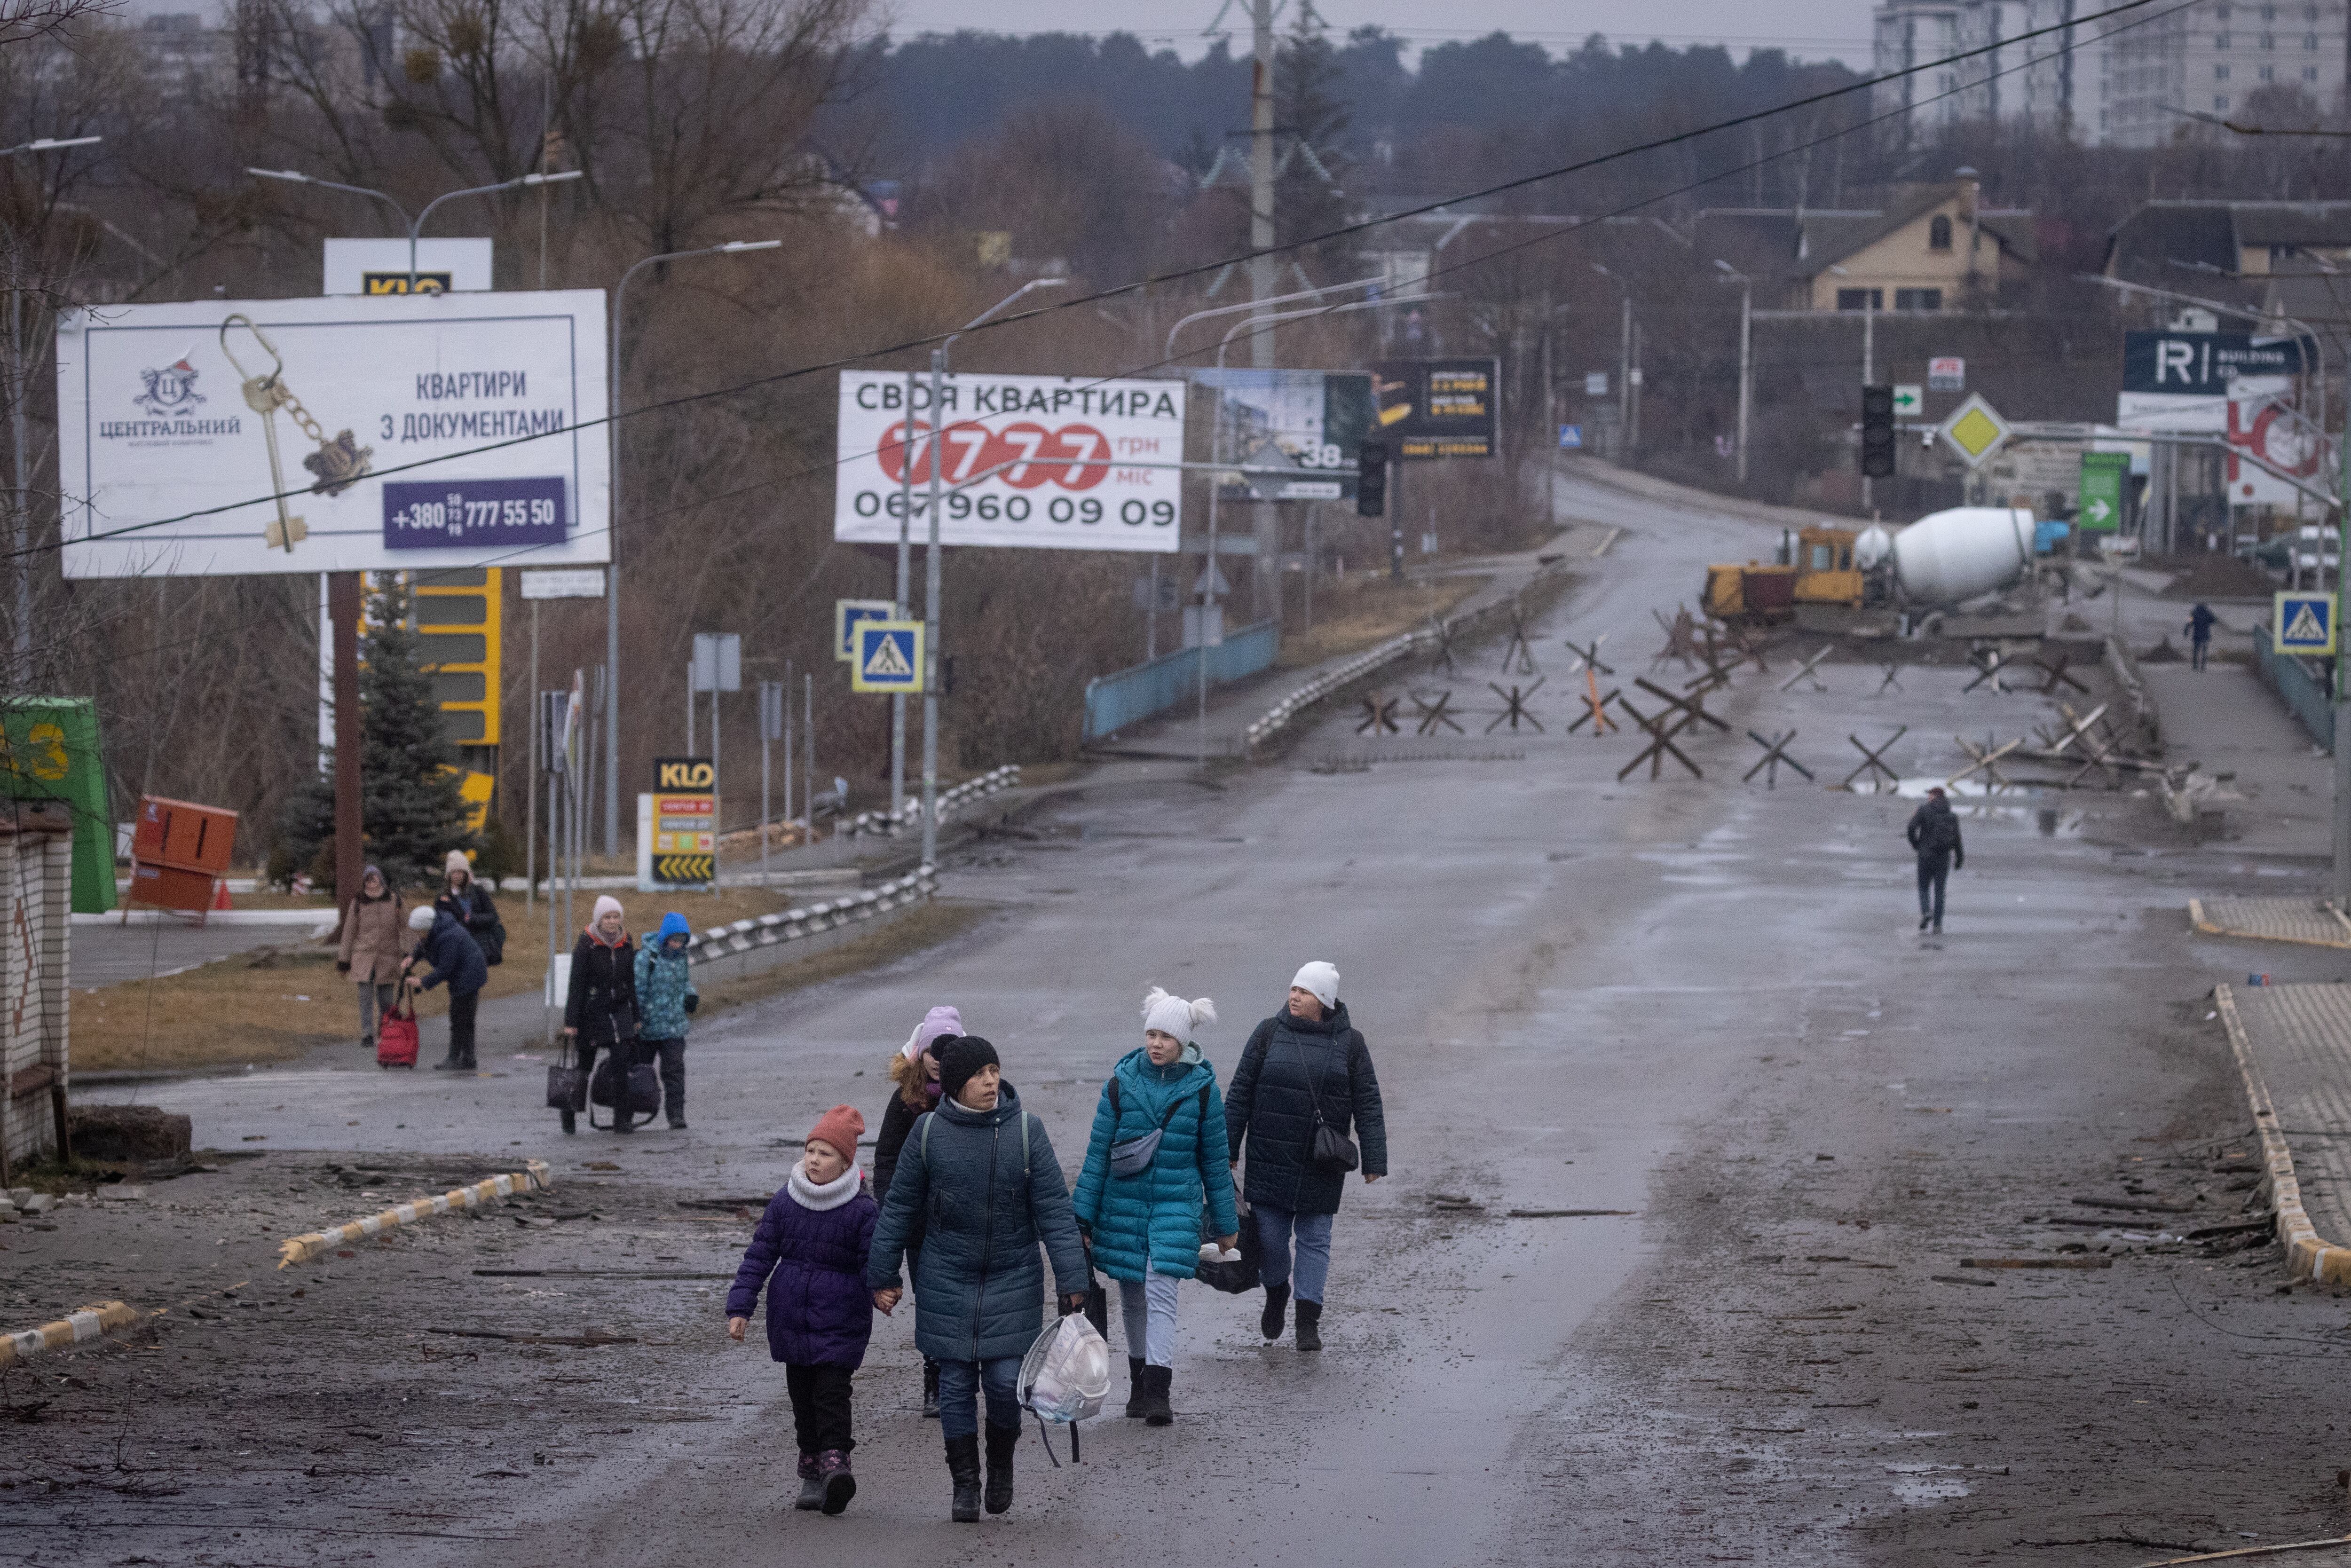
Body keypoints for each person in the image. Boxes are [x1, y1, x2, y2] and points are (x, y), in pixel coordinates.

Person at [867, 1035, 1089, 1524]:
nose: (990, 1081)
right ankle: (965, 1483)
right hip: (945, 1274)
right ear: (954, 1084)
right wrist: (882, 1272)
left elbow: (1054, 1209)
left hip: (1014, 1275)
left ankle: (1001, 1463)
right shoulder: (928, 1132)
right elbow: (899, 1206)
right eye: (978, 1074)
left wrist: (1072, 1277)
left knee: (1006, 1382)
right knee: (954, 1383)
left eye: (994, 1070)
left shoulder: (1027, 1131)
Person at [1071, 987, 1238, 1427]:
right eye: (1152, 1034)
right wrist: (1081, 1219)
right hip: (1122, 1205)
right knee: (1132, 1295)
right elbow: (1097, 1156)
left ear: (1183, 1041)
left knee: (1161, 1289)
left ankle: (1158, 1391)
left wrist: (1226, 1223)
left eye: (1166, 1036)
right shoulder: (1119, 1085)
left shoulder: (1203, 1092)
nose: (1156, 1043)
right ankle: (1139, 1384)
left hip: (1175, 1205)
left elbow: (1215, 1162)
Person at [1224, 961, 1387, 1354]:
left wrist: (1374, 1160)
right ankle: (1277, 1290)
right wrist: (1228, 1148)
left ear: (1324, 1000)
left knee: (1315, 1240)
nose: (1295, 996)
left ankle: (1308, 1321)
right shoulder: (1268, 1033)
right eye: (1294, 989)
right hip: (1270, 1157)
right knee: (1271, 1241)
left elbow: (1368, 1101)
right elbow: (1241, 1091)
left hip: (1322, 1161)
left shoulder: (1351, 1043)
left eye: (1305, 991)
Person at [727, 1105, 878, 1517]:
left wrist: (882, 1288)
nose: (814, 1159)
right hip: (791, 1318)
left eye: (825, 1153)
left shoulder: (862, 1209)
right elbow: (759, 1256)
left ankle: (836, 1467)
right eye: (810, 1150)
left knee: (832, 1394)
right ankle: (812, 1473)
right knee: (802, 1399)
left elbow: (873, 1260)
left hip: (841, 1318)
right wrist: (741, 1306)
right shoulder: (786, 1201)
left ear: (845, 1162)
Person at [871, 1004, 964, 1420]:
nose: (938, 1060)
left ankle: (964, 1373)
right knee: (930, 1301)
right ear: (920, 1053)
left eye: (947, 1051)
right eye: (932, 1051)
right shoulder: (906, 1102)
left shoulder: (975, 1097)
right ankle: (936, 1379)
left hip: (965, 1222)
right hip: (921, 1225)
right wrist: (893, 1207)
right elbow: (887, 1158)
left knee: (963, 1299)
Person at [561, 895, 640, 1134]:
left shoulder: (627, 943)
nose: (612, 922)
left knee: (622, 1065)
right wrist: (571, 1022)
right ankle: (569, 1112)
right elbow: (576, 985)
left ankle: (622, 1119)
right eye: (607, 917)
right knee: (584, 1067)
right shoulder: (587, 945)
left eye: (616, 917)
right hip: (592, 1013)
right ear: (599, 919)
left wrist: (637, 1016)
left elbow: (631, 982)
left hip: (620, 1011)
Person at [632, 913, 699, 1131]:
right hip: (648, 1029)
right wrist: (637, 1019)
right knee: (640, 1073)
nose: (678, 944)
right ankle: (630, 1113)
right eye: (674, 939)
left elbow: (684, 983)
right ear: (665, 937)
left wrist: (691, 996)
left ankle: (676, 1116)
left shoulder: (681, 959)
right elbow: (638, 991)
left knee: (674, 1073)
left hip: (674, 1028)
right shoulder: (646, 958)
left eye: (682, 940)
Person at [402, 902, 487, 1071]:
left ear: (426, 927)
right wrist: (413, 958)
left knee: (459, 1018)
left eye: (419, 931)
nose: (417, 935)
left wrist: (423, 982)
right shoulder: (437, 929)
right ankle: (469, 1058)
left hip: (469, 975)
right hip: (466, 973)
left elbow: (445, 968)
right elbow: (424, 944)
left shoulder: (449, 937)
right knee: (466, 1019)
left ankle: (454, 1058)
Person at [335, 865, 405, 1051]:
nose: (371, 884)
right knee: (365, 998)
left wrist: (409, 953)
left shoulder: (394, 900)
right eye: (368, 880)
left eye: (374, 880)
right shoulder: (358, 902)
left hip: (388, 957)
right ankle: (367, 1033)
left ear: (381, 880)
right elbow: (349, 932)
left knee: (386, 999)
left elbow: (405, 927)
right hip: (363, 957)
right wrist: (344, 962)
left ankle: (386, 1031)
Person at [1906, 785, 1965, 934]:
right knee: (1940, 891)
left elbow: (1911, 828)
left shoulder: (1924, 810)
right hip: (1943, 857)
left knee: (1923, 887)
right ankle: (1938, 924)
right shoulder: (1951, 815)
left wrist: (1916, 845)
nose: (1928, 797)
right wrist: (1959, 859)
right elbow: (1957, 839)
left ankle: (1926, 911)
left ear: (1934, 796)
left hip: (1925, 855)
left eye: (1930, 794)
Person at [432, 850, 504, 967]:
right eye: (454, 872)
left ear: (466, 873)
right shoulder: (443, 897)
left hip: (479, 946)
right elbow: (439, 922)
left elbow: (493, 916)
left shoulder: (478, 892)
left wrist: (473, 919)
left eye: (460, 872)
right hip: (455, 947)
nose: (457, 875)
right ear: (448, 874)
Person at [2186, 602, 2219, 672]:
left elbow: (2190, 623)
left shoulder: (2194, 613)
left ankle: (2195, 666)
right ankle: (2203, 667)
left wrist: (2186, 631)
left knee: (2196, 651)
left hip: (2197, 635)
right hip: (2205, 635)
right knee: (2204, 651)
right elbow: (2214, 621)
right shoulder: (2208, 613)